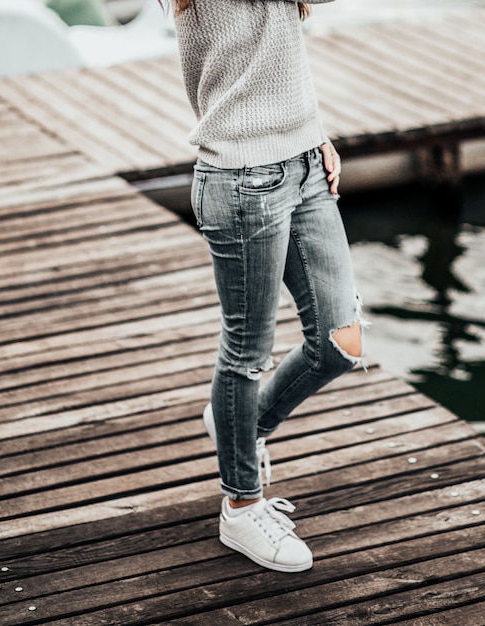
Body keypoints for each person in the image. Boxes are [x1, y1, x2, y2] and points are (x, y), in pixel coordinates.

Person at [167, 0, 366, 573]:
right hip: (241, 178)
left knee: (340, 340)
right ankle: (240, 503)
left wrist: (317, 133)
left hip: (304, 164)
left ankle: (242, 424)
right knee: (247, 356)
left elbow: (280, 56)